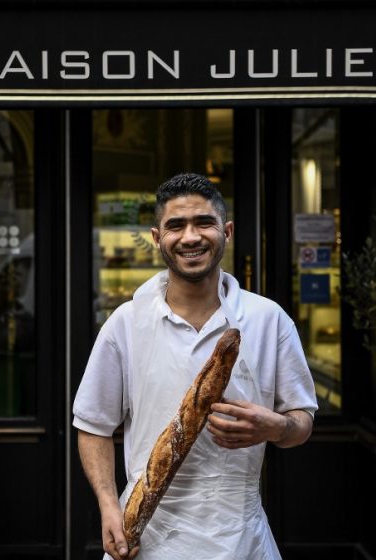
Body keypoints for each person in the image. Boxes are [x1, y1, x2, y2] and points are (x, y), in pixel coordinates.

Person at [73, 172, 318, 560]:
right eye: (176, 226)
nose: (190, 237)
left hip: (240, 537)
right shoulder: (126, 321)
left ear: (227, 231)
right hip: (146, 538)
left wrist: (278, 427)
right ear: (157, 238)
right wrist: (107, 503)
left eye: (204, 222)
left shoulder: (268, 320)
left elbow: (301, 421)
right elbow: (92, 425)